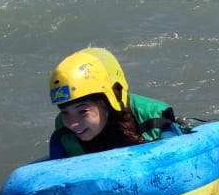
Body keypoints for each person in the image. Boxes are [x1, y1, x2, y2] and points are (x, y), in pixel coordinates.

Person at [47, 47, 186, 159]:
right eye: (65, 112)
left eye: (82, 111)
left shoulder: (155, 121)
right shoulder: (63, 136)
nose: (72, 123)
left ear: (107, 103)